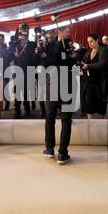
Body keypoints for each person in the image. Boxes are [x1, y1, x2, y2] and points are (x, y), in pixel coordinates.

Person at [40, 26, 77, 165]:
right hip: (61, 84)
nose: (69, 34)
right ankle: (59, 152)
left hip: (56, 85)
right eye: (67, 32)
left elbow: (71, 62)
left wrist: (72, 57)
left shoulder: (67, 45)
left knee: (55, 118)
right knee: (61, 119)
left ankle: (54, 150)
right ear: (60, 32)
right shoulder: (50, 47)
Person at [81, 34, 108, 119]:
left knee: (101, 104)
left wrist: (88, 66)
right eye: (88, 42)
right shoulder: (89, 51)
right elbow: (83, 62)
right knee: (89, 105)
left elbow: (102, 64)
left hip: (100, 82)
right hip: (89, 82)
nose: (89, 44)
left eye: (91, 41)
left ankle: (100, 125)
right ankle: (91, 126)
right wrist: (82, 65)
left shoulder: (103, 49)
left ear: (97, 40)